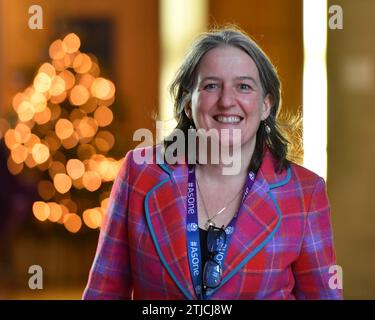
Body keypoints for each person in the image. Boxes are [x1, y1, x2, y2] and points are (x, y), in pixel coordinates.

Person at [83, 26, 343, 300]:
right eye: (210, 86)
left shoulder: (305, 193)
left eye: (243, 86)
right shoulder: (139, 173)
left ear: (266, 105)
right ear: (187, 103)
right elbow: (104, 291)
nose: (227, 101)